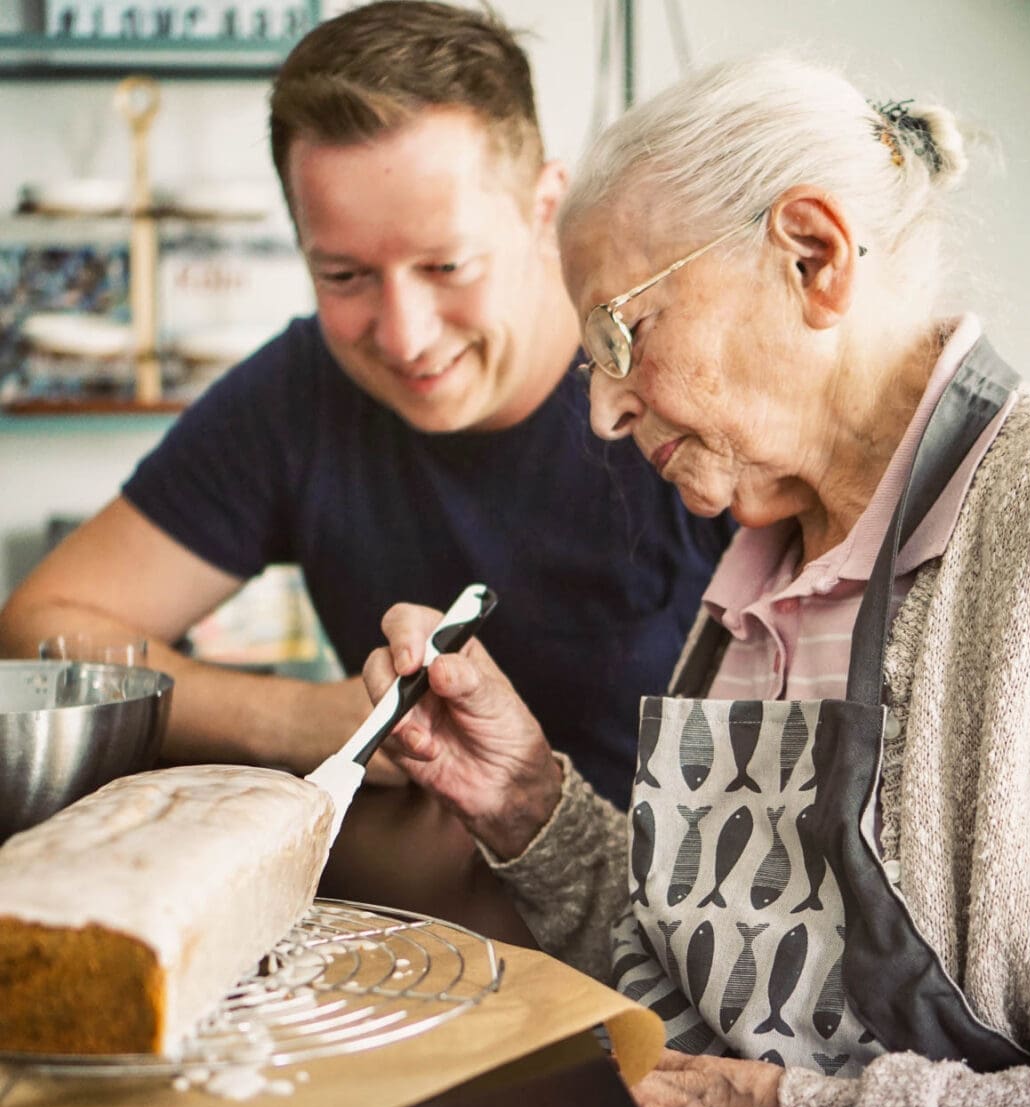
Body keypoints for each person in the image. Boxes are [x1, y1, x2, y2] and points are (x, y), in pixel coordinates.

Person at [360, 55, 1030, 1107]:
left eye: (622, 335)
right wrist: (533, 801)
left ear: (809, 255)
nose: (605, 416)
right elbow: (727, 978)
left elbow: (791, 1095)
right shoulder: (754, 573)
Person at [0, 1, 728, 910]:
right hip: (416, 942)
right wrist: (302, 718)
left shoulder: (685, 391)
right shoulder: (301, 390)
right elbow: (48, 623)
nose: (403, 335)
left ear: (547, 208)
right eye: (342, 275)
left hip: (667, 951)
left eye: (446, 266)